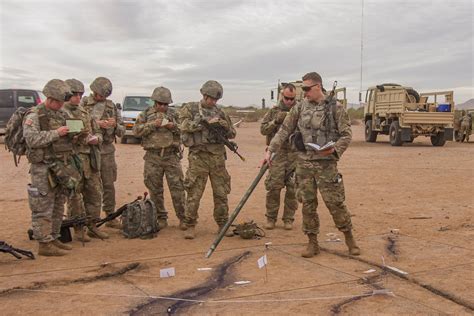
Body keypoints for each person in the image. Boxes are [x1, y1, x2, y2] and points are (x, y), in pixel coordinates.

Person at [264, 72, 360, 257]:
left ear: (318, 87)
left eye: (307, 89)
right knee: (307, 204)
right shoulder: (299, 108)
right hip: (304, 164)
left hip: (326, 165)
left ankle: (349, 238)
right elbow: (284, 130)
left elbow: (346, 135)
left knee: (335, 203)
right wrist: (270, 150)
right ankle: (312, 242)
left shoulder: (335, 108)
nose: (305, 92)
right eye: (303, 89)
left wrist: (334, 150)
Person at [23, 79, 80, 256]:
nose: (62, 105)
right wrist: (57, 133)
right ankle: (44, 243)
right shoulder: (34, 115)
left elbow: (71, 131)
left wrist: (75, 133)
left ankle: (54, 237)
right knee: (43, 206)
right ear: (51, 98)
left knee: (57, 204)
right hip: (43, 168)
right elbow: (31, 139)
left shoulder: (61, 114)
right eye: (59, 102)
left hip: (60, 166)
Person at [179, 80, 236, 239]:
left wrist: (223, 124)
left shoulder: (221, 112)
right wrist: (202, 123)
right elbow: (183, 126)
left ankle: (223, 224)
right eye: (209, 98)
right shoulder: (189, 109)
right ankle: (190, 224)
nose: (212, 102)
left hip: (217, 158)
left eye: (215, 100)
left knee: (221, 193)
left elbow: (232, 133)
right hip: (198, 157)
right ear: (203, 95)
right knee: (194, 193)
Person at [133, 87, 186, 230]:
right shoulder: (145, 114)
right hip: (152, 157)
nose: (162, 107)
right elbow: (136, 131)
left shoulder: (174, 114)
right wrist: (152, 125)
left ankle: (183, 218)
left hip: (171, 156)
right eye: (160, 104)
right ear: (154, 102)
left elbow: (184, 129)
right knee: (155, 190)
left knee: (178, 188)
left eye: (165, 104)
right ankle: (161, 218)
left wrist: (172, 126)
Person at [64, 79, 108, 240]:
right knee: (75, 196)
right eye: (73, 94)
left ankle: (93, 225)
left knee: (95, 193)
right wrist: (80, 138)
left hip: (90, 159)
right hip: (72, 160)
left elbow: (98, 132)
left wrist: (97, 138)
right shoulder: (61, 113)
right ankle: (78, 228)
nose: (77, 97)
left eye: (79, 94)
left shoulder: (84, 113)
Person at [81, 77, 125, 228]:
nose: (102, 98)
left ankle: (110, 217)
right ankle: (89, 220)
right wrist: (96, 124)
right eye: (100, 95)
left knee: (108, 184)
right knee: (89, 186)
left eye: (105, 96)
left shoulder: (111, 106)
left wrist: (115, 125)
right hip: (87, 150)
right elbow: (75, 124)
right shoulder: (83, 104)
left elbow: (122, 130)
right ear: (93, 91)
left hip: (106, 150)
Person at [260, 84, 298, 230]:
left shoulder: (299, 111)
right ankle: (271, 218)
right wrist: (276, 121)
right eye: (287, 98)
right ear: (282, 96)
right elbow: (263, 130)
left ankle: (288, 219)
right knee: (274, 187)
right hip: (277, 154)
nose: (289, 101)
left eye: (292, 99)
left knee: (292, 188)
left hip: (294, 154)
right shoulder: (273, 111)